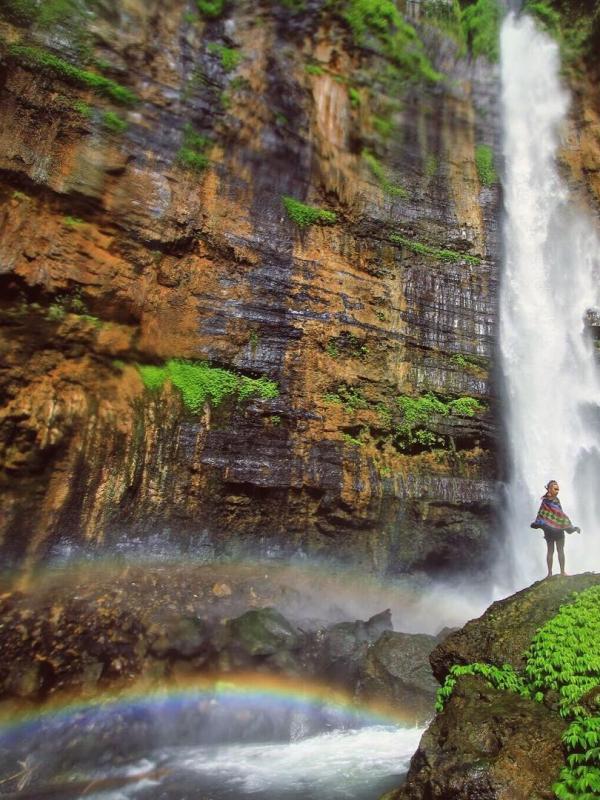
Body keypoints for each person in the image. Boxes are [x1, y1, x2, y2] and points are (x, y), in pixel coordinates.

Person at [530, 480, 580, 578]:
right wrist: (537, 524)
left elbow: (560, 516)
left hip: (558, 530)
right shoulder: (545, 501)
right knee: (551, 551)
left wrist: (571, 528)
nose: (557, 488)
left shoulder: (557, 500)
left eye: (557, 487)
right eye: (554, 487)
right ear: (549, 489)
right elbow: (542, 515)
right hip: (549, 530)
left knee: (560, 550)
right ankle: (550, 573)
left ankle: (562, 572)